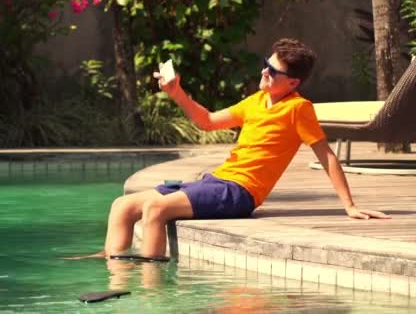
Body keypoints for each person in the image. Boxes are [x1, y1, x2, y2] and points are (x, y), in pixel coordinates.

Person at [71, 38, 390, 260]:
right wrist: (177, 92)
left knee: (155, 210)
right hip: (217, 181)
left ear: (293, 82)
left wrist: (348, 205)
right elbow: (208, 121)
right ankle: (114, 271)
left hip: (240, 193)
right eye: (266, 65)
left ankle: (153, 292)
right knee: (122, 206)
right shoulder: (256, 101)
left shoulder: (298, 109)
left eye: (273, 71)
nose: (264, 72)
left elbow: (326, 155)